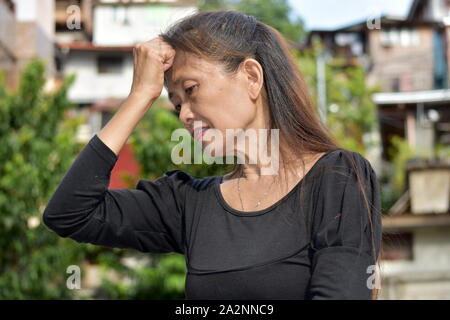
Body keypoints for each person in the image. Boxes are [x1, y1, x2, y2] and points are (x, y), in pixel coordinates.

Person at [42, 10, 382, 300]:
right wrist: (140, 96)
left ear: (251, 77)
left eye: (191, 91)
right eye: (176, 104)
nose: (184, 115)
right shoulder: (188, 202)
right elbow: (70, 214)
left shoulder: (337, 178)